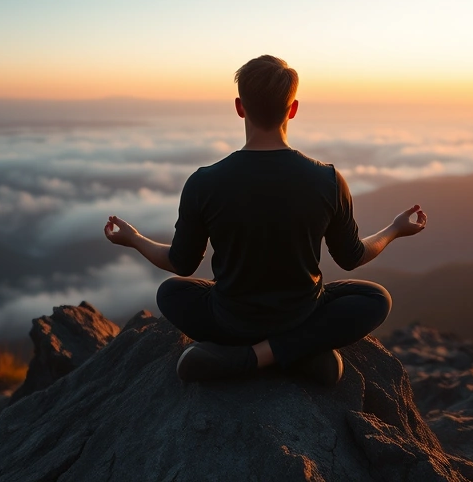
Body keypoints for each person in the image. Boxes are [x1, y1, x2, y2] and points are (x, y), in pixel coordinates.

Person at [104, 55, 427, 386]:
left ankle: (246, 356)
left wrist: (134, 238)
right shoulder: (327, 180)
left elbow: (181, 263)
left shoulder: (204, 182)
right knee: (376, 299)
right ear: (293, 109)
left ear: (239, 107)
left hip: (231, 321)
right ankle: (295, 352)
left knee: (171, 292)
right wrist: (394, 230)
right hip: (302, 317)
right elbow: (352, 257)